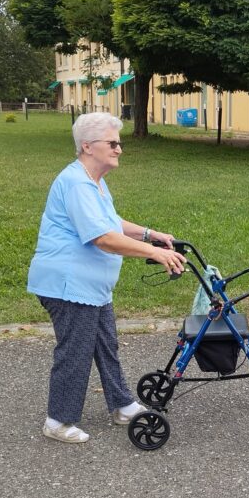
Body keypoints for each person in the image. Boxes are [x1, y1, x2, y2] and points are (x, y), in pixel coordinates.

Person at [27, 112, 186, 444]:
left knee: (106, 346)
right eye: (112, 143)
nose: (119, 149)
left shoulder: (94, 182)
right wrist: (155, 253)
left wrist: (150, 233)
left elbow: (111, 221)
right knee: (76, 352)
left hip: (92, 287)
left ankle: (122, 404)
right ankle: (58, 421)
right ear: (88, 146)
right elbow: (103, 238)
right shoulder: (75, 183)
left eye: (119, 143)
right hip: (69, 286)